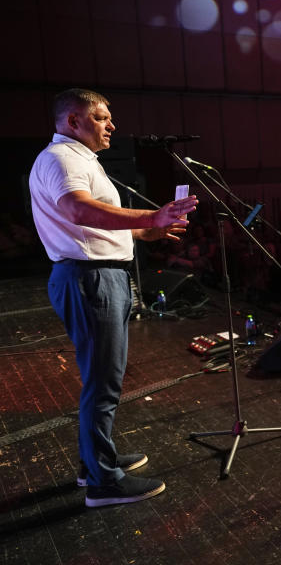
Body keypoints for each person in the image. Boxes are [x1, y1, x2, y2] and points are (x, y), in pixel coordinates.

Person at [29, 88, 199, 507]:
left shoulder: (79, 160)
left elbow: (96, 226)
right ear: (73, 121)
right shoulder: (63, 159)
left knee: (102, 378)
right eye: (103, 118)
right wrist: (149, 215)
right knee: (103, 382)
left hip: (96, 276)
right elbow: (78, 211)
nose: (112, 125)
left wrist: (148, 231)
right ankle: (104, 482)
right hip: (91, 280)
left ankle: (95, 464)